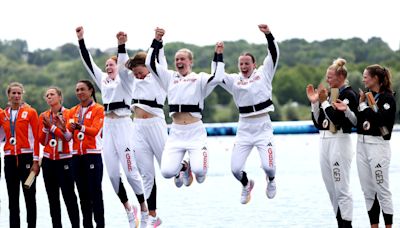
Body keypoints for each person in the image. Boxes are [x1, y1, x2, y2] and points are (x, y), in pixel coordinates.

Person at [76, 26, 146, 228]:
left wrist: (121, 45)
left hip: (124, 125)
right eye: (106, 65)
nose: (108, 67)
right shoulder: (103, 81)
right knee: (114, 175)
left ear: (118, 67)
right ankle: (128, 208)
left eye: (111, 65)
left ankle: (143, 207)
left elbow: (124, 64)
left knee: (131, 173)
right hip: (108, 128)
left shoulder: (126, 80)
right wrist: (81, 39)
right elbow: (88, 61)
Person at [145, 28, 224, 189]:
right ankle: (183, 167)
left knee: (200, 173)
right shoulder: (169, 78)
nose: (179, 62)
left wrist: (218, 55)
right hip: (176, 132)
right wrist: (156, 40)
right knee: (166, 172)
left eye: (182, 59)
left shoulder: (199, 78)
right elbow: (149, 63)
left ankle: (195, 167)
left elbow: (218, 77)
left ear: (190, 62)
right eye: (176, 59)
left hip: (195, 132)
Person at [215, 24, 279, 204]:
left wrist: (268, 34)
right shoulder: (234, 81)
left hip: (263, 125)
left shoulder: (264, 74)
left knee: (269, 167)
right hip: (244, 127)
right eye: (241, 63)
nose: (243, 66)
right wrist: (218, 54)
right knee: (235, 169)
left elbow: (273, 54)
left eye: (247, 63)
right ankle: (246, 184)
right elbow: (218, 75)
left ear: (254, 64)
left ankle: (271, 180)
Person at [120, 28, 168, 227]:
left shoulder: (158, 76)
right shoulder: (132, 80)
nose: (138, 76)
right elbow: (123, 68)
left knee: (167, 168)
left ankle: (183, 166)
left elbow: (159, 58)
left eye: (140, 72)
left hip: (156, 124)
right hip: (137, 127)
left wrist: (158, 40)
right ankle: (153, 216)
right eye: (135, 73)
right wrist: (121, 44)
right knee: (146, 174)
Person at [338, 65, 395, 228]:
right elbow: (358, 122)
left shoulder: (387, 98)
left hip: (378, 146)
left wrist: (366, 106)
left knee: (382, 190)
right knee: (368, 192)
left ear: (376, 78)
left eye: (366, 76)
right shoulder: (367, 97)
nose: (363, 79)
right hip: (361, 146)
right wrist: (348, 110)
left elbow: (382, 123)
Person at [306, 58, 358, 228]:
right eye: (327, 77)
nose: (327, 80)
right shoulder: (330, 93)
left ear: (341, 76)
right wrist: (315, 104)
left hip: (339, 141)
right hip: (324, 140)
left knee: (342, 187)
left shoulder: (348, 94)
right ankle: (339, 223)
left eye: (330, 77)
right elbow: (319, 123)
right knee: (331, 189)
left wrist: (324, 102)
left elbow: (337, 118)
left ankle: (347, 224)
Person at [38, 86, 80, 228]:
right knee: (53, 199)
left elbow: (68, 137)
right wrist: (46, 127)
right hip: (48, 161)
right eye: (47, 95)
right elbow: (42, 142)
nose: (49, 97)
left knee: (69, 197)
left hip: (65, 160)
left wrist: (53, 127)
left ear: (60, 97)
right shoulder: (43, 115)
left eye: (52, 94)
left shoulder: (69, 113)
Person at [0, 82, 40, 228]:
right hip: (9, 158)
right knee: (12, 199)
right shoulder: (3, 114)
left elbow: (36, 138)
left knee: (30, 198)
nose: (16, 96)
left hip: (26, 158)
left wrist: (36, 161)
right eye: (13, 93)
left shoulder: (30, 112)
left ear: (22, 94)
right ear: (8, 95)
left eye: (19, 93)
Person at [67, 80, 105, 228]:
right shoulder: (72, 111)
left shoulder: (98, 109)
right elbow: (68, 136)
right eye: (77, 90)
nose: (79, 92)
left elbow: (95, 131)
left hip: (92, 154)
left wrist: (80, 127)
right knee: (82, 194)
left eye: (82, 89)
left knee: (95, 193)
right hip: (76, 156)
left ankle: (100, 225)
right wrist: (58, 127)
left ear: (91, 91)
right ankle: (87, 225)